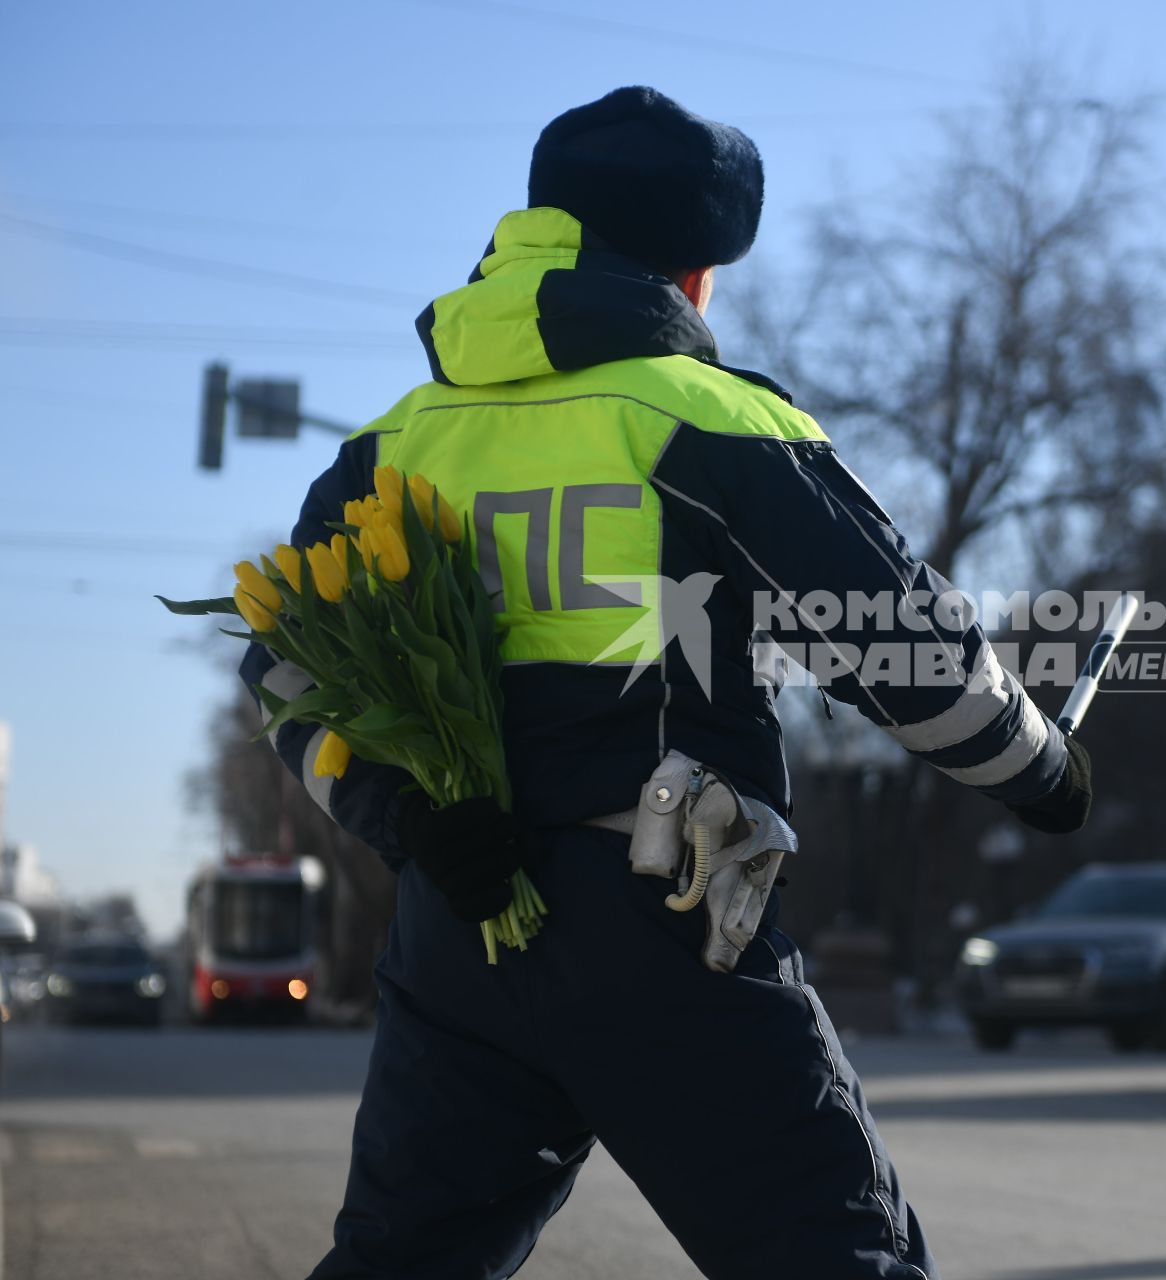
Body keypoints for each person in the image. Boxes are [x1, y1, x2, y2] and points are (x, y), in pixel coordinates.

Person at [241, 86, 1093, 1280]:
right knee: (835, 1256)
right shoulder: (706, 419)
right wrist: (1048, 771)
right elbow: (913, 653)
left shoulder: (390, 440)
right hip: (667, 929)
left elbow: (283, 670)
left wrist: (410, 816)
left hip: (457, 929)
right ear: (696, 274)